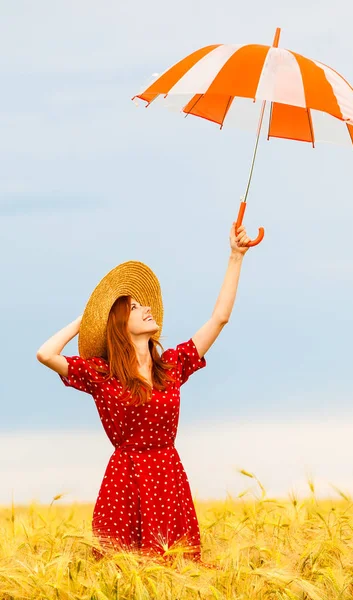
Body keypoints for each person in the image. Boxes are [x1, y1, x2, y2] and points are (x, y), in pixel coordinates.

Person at [36, 221, 251, 567]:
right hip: (126, 484)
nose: (147, 308)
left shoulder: (172, 366)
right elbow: (46, 354)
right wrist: (88, 316)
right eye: (135, 307)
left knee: (175, 572)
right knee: (123, 574)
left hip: (168, 481)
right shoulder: (102, 376)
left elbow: (219, 318)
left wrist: (236, 257)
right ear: (119, 325)